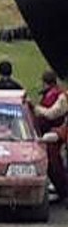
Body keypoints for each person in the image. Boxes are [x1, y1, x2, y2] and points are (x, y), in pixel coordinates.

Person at [29, 69, 68, 202]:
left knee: (55, 164)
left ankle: (63, 190)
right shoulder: (55, 94)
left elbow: (52, 113)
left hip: (56, 134)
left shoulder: (60, 96)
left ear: (45, 82)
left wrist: (36, 109)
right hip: (51, 134)